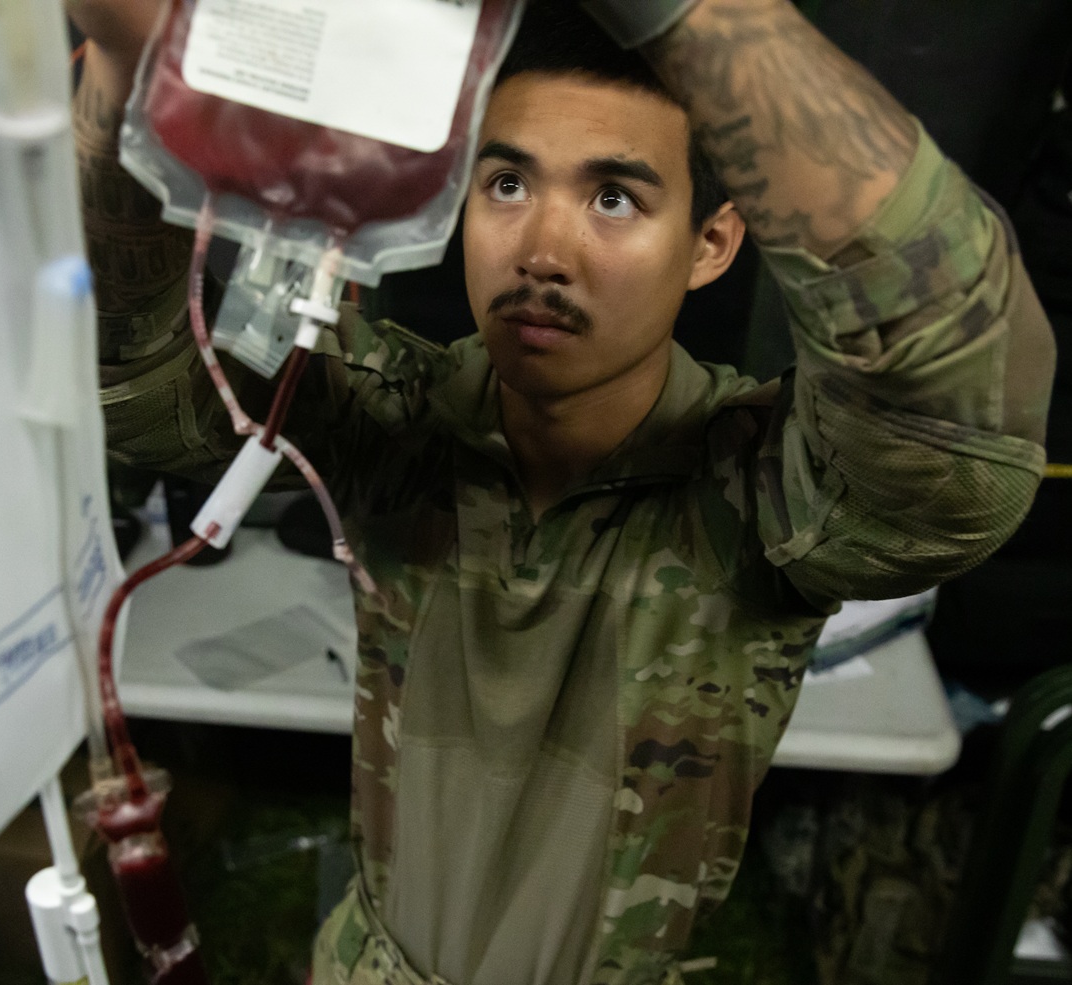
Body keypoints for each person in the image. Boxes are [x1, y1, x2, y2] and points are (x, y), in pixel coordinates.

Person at [69, 0, 1057, 981]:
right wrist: (121, 89)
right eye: (505, 183)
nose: (540, 251)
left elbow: (950, 418)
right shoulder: (397, 415)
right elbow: (140, 390)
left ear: (711, 243)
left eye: (613, 198)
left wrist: (694, 14)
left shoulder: (756, 487)